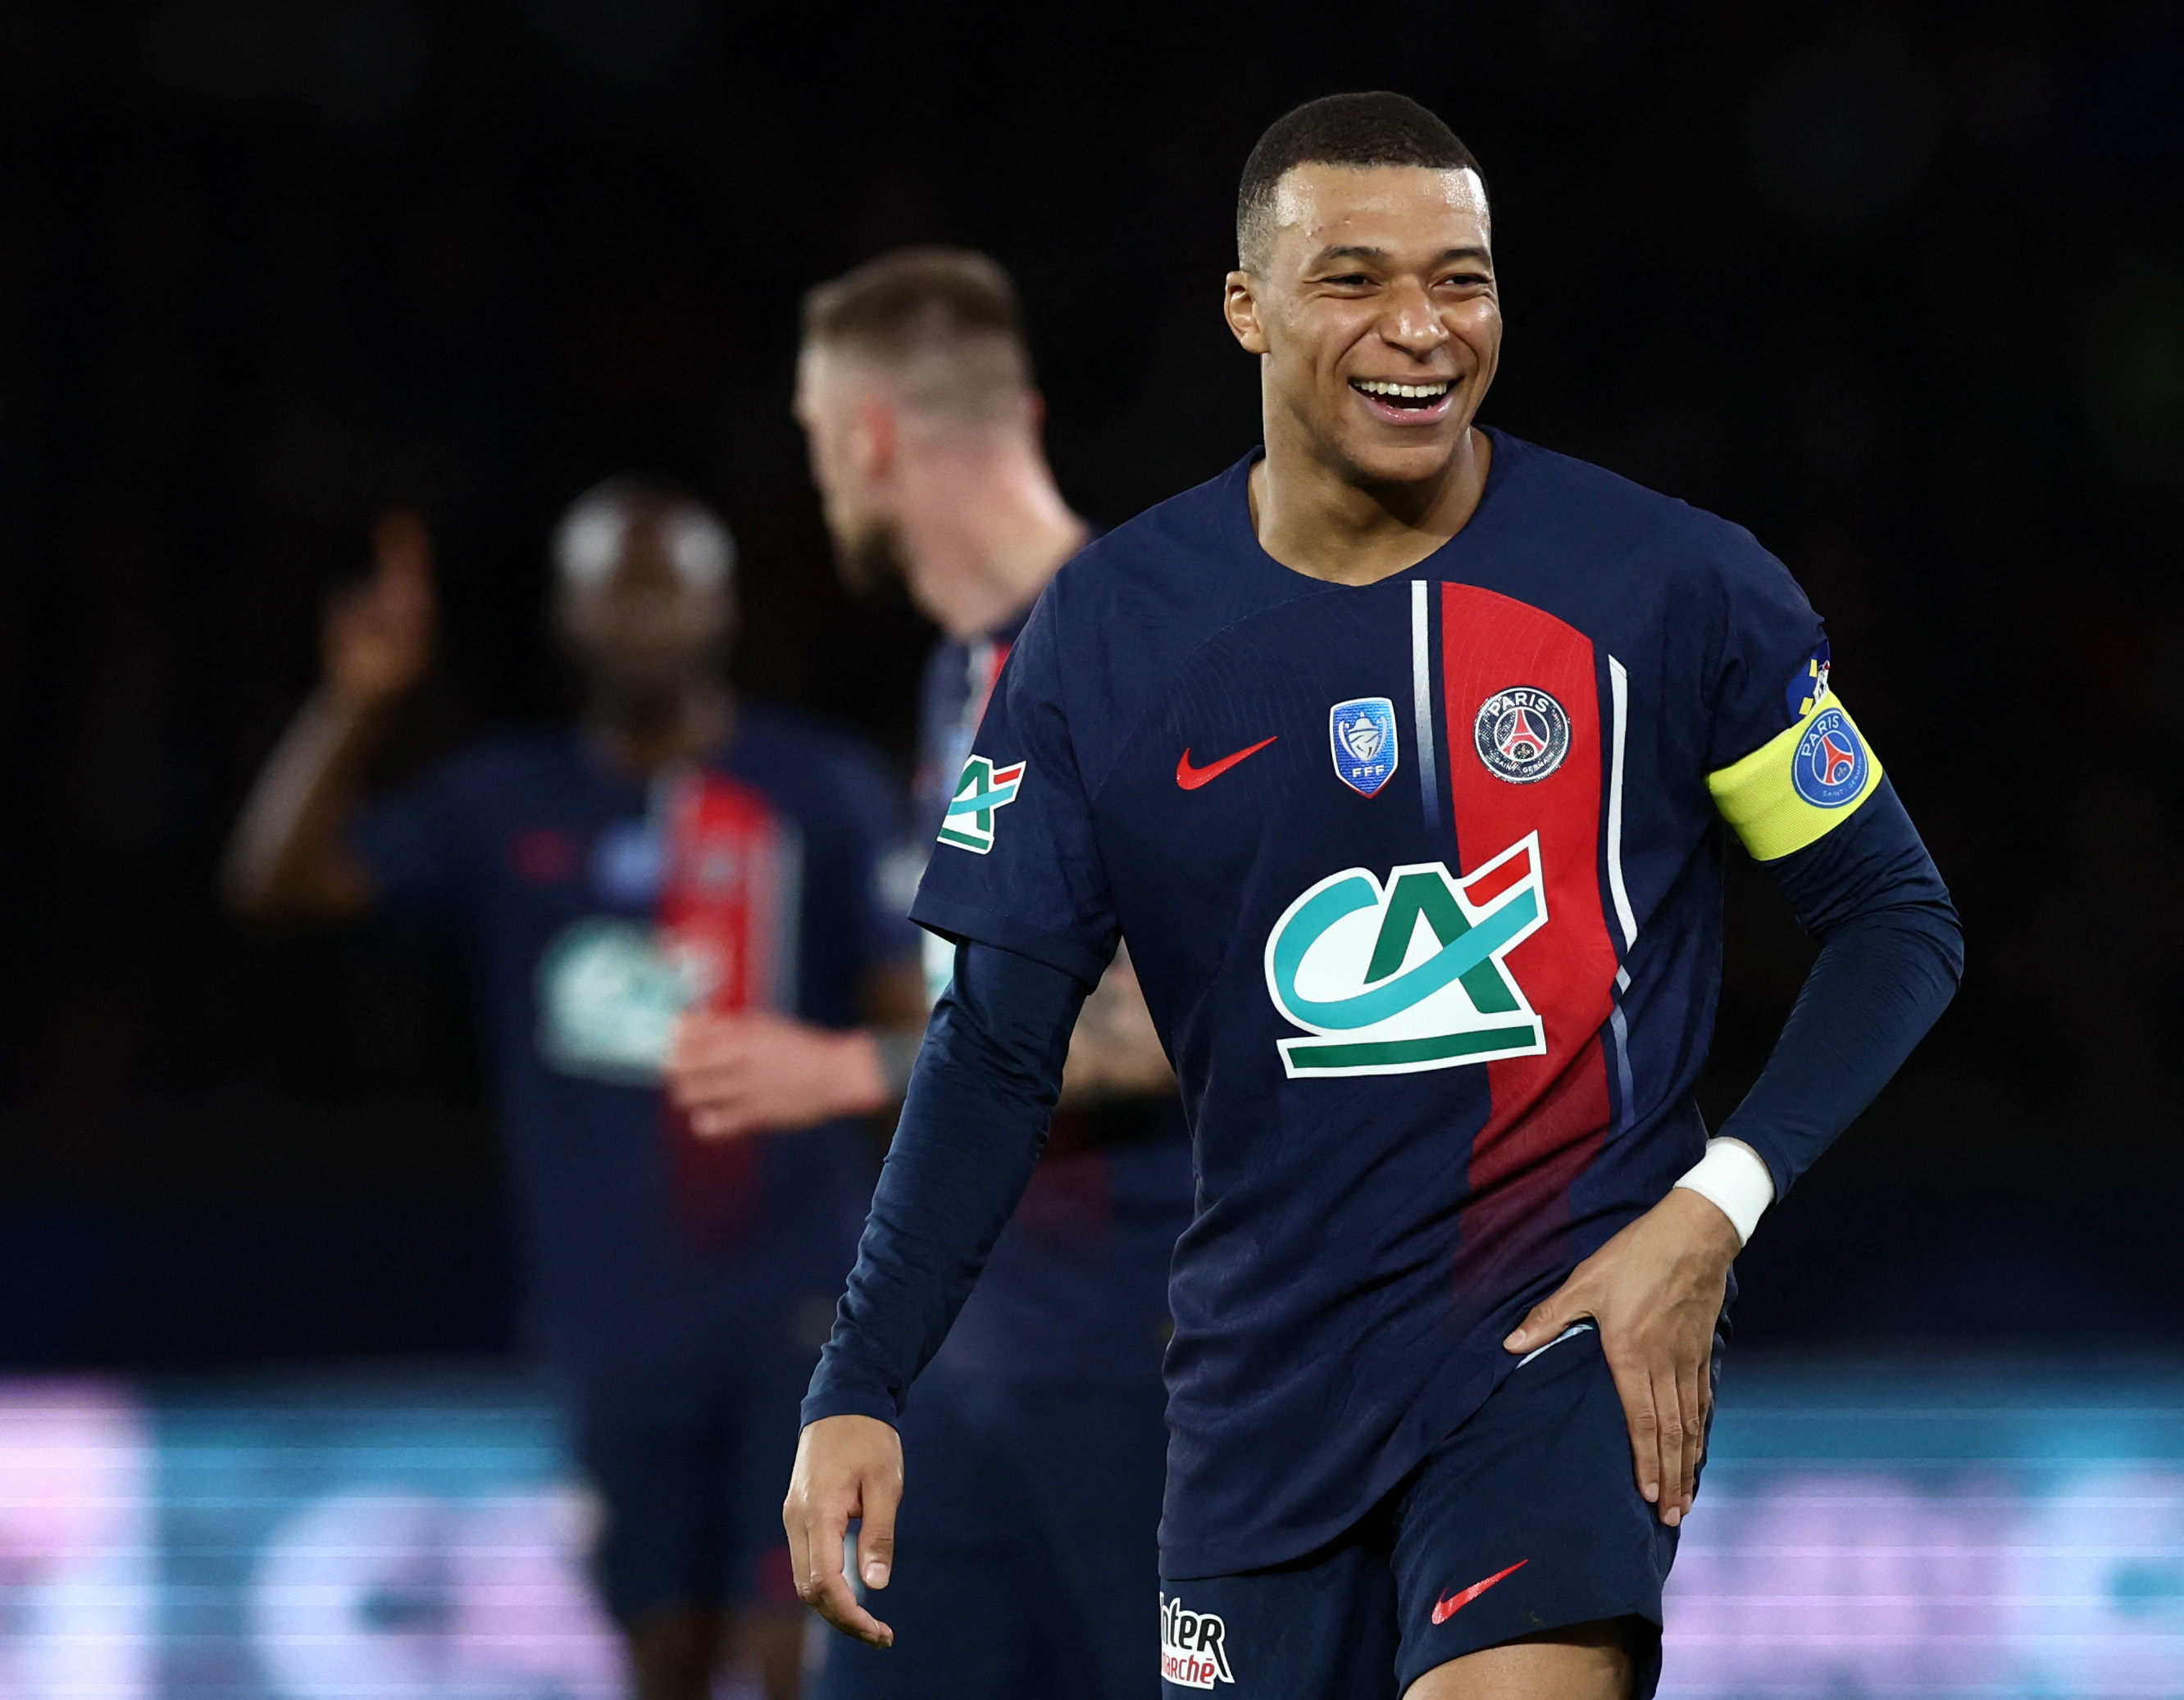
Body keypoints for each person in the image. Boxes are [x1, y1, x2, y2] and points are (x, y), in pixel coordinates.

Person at [780, 92, 1966, 1700]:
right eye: (1355, 278)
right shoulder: (1109, 636)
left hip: (1549, 1357)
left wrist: (1711, 1208)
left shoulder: (1676, 590)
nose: (1421, 327)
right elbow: (996, 1044)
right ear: (1247, 306)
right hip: (1255, 1405)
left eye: (1462, 279)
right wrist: (860, 1381)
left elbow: (1895, 917)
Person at [223, 484, 926, 1700]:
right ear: (567, 615)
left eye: (671, 583)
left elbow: (913, 1029)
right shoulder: (506, 804)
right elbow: (276, 887)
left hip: (803, 1306)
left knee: (794, 1645)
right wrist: (357, 704)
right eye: (618, 584)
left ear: (725, 607)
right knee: (660, 1656)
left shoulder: (814, 788)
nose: (644, 614)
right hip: (612, 1318)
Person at [769, 246, 1189, 1698]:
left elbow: (1172, 1024)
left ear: (873, 436)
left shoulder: (1137, 646)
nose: (827, 487)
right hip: (967, 1361)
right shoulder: (965, 675)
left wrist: (857, 1070)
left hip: (1133, 1365)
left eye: (823, 447)